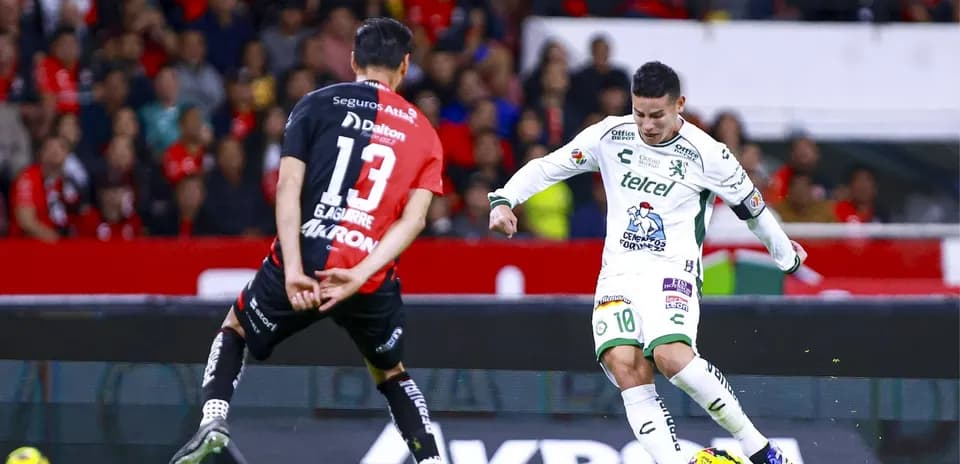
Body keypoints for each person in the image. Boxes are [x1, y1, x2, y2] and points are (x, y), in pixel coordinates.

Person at [488, 61, 806, 464]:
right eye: (640, 113)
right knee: (625, 366)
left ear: (680, 106)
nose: (648, 124)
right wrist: (504, 198)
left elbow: (755, 211)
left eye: (657, 115)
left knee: (671, 357)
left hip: (672, 272)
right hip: (618, 273)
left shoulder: (710, 155)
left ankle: (759, 449)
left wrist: (786, 256)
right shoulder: (610, 134)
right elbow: (551, 165)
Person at [169, 17, 444, 464]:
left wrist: (294, 269)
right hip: (367, 274)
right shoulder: (425, 134)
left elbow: (287, 188)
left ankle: (213, 421)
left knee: (235, 328)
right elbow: (413, 222)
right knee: (390, 371)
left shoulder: (315, 104)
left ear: (354, 59)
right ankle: (431, 459)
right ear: (406, 66)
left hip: (307, 256)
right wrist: (357, 274)